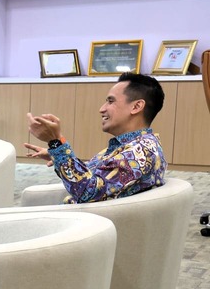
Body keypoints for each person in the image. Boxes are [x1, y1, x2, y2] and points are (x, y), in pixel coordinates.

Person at [24, 72, 166, 203]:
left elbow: (87, 192)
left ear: (136, 106)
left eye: (111, 101)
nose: (102, 109)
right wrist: (56, 155)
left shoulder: (140, 152)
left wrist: (56, 142)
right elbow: (89, 174)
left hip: (86, 220)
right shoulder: (133, 146)